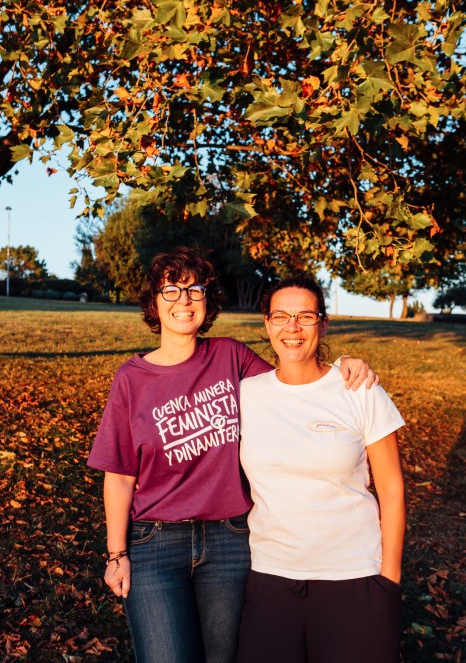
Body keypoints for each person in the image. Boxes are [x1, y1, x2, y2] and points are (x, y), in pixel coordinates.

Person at [87, 248, 378, 663]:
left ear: (208, 302)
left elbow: (294, 380)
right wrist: (116, 555)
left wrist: (343, 363)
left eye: (195, 290)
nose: (183, 301)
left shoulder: (231, 356)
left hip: (231, 540)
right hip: (154, 542)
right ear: (154, 302)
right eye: (171, 290)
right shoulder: (131, 379)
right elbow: (118, 474)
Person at [236, 274, 406, 663]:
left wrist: (388, 582)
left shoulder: (360, 390)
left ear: (323, 323)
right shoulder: (246, 394)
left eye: (305, 316)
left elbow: (392, 491)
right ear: (266, 324)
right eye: (280, 316)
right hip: (270, 581)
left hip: (355, 580)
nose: (292, 328)